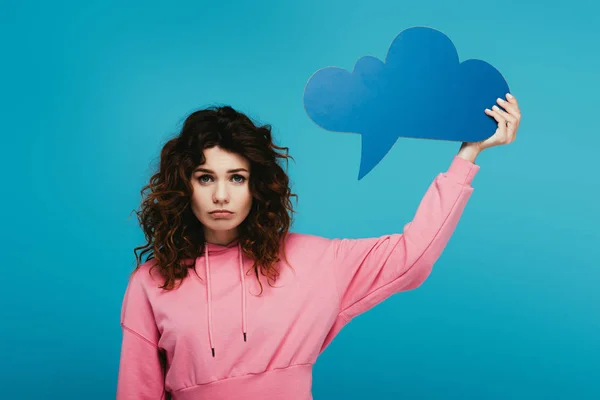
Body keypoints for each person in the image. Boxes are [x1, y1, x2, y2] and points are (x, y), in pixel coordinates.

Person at [116, 95, 521, 399]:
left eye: (236, 178)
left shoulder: (313, 260)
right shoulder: (151, 281)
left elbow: (412, 257)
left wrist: (467, 156)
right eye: (206, 178)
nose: (221, 194)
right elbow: (137, 391)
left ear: (256, 186)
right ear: (184, 186)